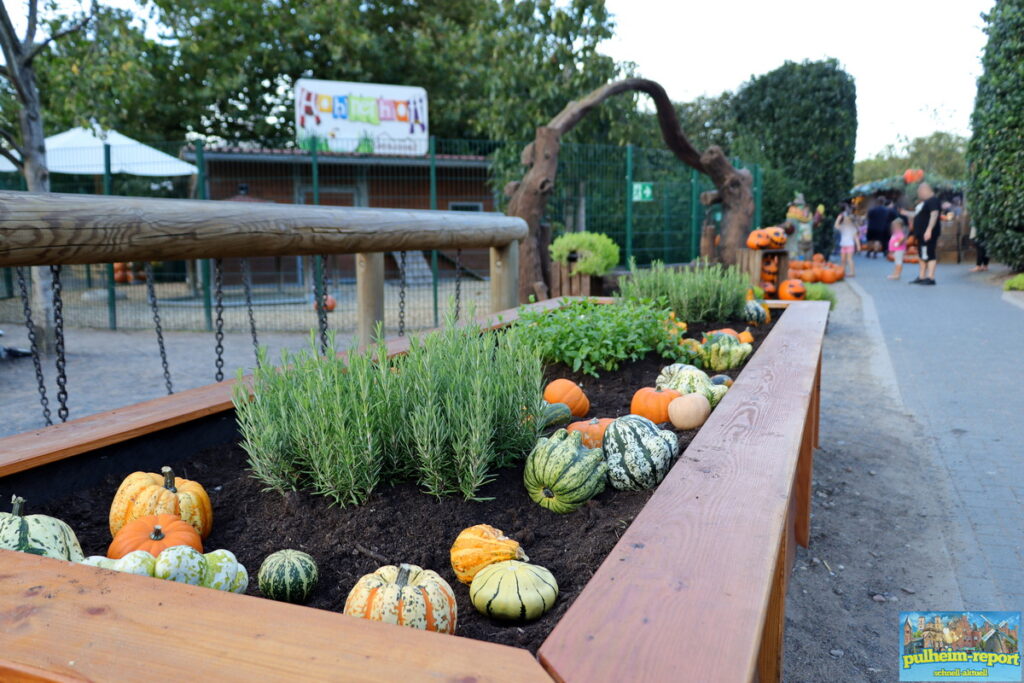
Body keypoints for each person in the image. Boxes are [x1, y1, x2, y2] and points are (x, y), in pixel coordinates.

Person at [909, 182, 941, 285]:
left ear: (925, 190)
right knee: (922, 254)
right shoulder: (926, 202)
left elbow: (934, 214)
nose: (919, 193)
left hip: (928, 235)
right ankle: (922, 276)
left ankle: (930, 277)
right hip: (921, 234)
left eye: (919, 191)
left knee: (929, 254)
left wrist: (929, 230)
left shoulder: (933, 200)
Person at [835, 204, 860, 276]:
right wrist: (839, 218)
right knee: (843, 260)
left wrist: (858, 246)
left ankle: (852, 272)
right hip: (843, 245)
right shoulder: (842, 227)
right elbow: (836, 226)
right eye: (845, 220)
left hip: (850, 245)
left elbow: (856, 238)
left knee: (849, 259)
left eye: (847, 220)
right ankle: (843, 272)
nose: (845, 221)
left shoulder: (852, 228)